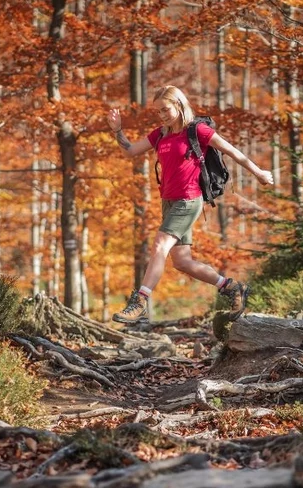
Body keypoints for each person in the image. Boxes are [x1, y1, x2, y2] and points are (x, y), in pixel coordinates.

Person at [107, 85, 274, 324]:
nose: (162, 115)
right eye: (158, 112)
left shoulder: (198, 131)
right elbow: (131, 151)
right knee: (182, 262)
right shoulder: (161, 134)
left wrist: (259, 173)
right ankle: (232, 287)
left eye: (165, 109)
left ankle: (140, 302)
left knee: (159, 246)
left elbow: (233, 151)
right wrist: (118, 131)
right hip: (169, 202)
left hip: (188, 200)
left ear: (179, 104)